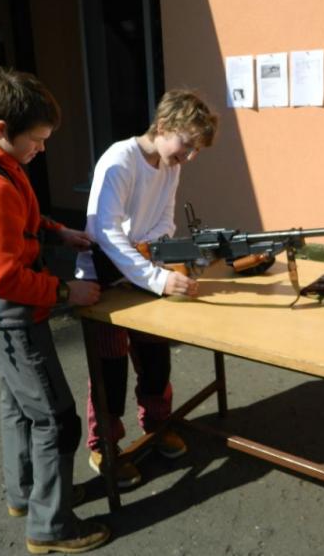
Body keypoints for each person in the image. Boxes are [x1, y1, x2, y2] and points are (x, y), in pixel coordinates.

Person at [0, 67, 109, 554]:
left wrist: (59, 232)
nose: (41, 149)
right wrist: (66, 291)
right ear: (2, 129)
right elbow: (2, 278)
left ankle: (26, 495)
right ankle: (51, 526)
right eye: (36, 140)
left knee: (19, 409)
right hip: (15, 319)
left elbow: (24, 218)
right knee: (56, 419)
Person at [75, 89, 218, 487]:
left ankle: (157, 424)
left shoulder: (170, 166)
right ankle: (105, 446)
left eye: (195, 150)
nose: (190, 156)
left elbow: (164, 221)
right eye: (187, 144)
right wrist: (157, 277)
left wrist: (159, 262)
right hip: (103, 276)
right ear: (164, 126)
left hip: (141, 271)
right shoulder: (120, 161)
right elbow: (106, 232)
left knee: (155, 356)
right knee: (110, 366)